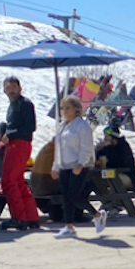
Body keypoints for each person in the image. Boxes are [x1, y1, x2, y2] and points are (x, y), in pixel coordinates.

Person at [0, 75, 42, 228]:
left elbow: (30, 126)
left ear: (20, 88)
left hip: (19, 144)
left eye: (13, 87)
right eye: (8, 87)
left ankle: (19, 217)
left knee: (9, 180)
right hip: (17, 144)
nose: (10, 91)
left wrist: (10, 134)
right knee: (18, 180)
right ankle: (30, 216)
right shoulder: (14, 105)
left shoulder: (25, 103)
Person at [52, 93, 95, 231]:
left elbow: (86, 146)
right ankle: (69, 226)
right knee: (66, 198)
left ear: (76, 109)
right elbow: (58, 148)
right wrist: (55, 165)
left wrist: (81, 163)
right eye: (62, 108)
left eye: (67, 107)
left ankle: (97, 214)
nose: (64, 111)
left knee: (74, 196)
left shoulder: (82, 126)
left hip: (79, 165)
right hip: (65, 165)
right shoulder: (61, 127)